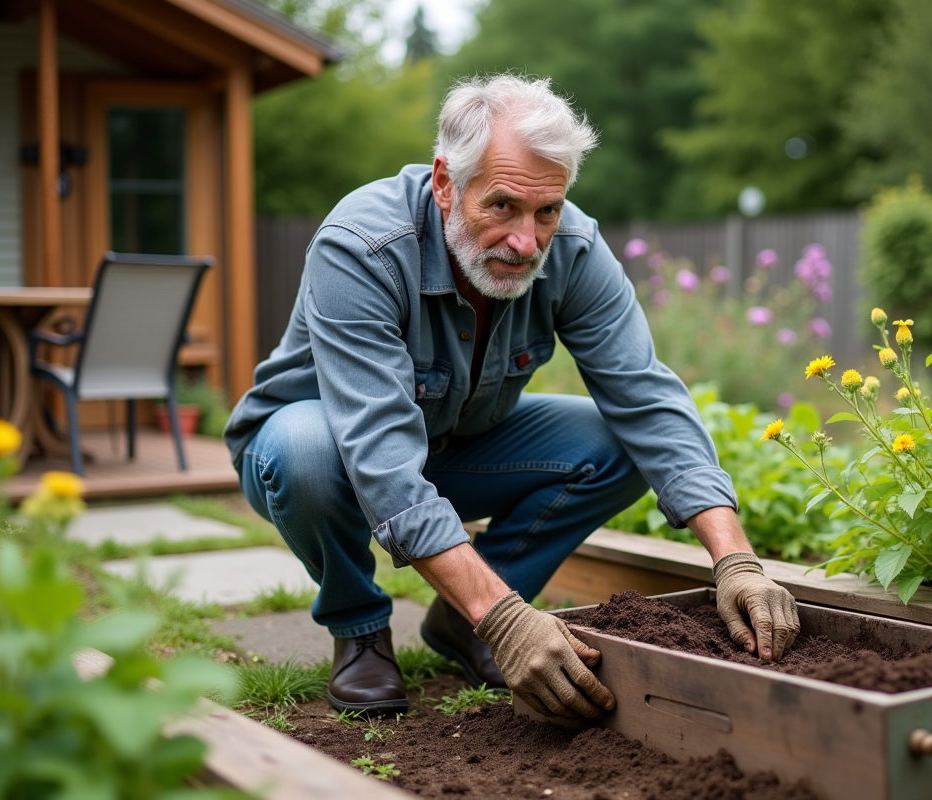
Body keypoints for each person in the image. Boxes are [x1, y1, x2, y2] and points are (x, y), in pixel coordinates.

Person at [224, 74, 799, 720]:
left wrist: (737, 560)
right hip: (324, 453)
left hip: (455, 447)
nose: (527, 241)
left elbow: (647, 397)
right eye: (502, 206)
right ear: (445, 184)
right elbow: (380, 457)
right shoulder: (362, 248)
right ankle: (360, 629)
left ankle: (463, 619)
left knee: (621, 442)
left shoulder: (573, 248)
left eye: (546, 210)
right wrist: (508, 620)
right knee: (307, 451)